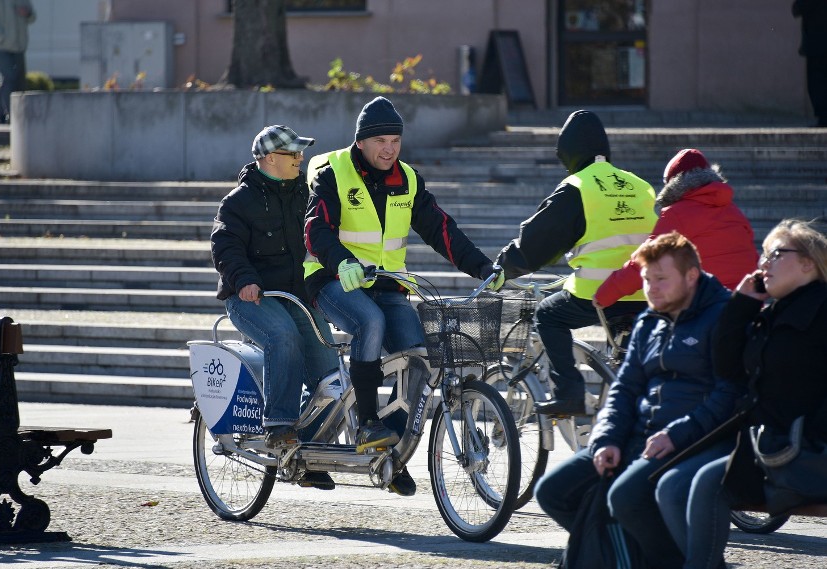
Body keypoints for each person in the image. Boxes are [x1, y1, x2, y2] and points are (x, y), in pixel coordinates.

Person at [303, 96, 503, 496]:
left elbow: (440, 229)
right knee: (369, 323)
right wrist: (342, 261)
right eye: (381, 141)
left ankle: (389, 452)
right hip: (332, 281)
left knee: (418, 356)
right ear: (361, 142)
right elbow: (315, 227)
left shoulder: (407, 179)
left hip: (389, 285)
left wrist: (483, 266)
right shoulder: (333, 173)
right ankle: (367, 422)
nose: (389, 149)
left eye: (395, 141)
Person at [534, 232, 742, 569]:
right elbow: (624, 389)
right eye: (646, 279)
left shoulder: (723, 316)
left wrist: (676, 434)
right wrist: (607, 438)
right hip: (637, 437)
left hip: (693, 441)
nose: (651, 288)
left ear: (691, 276)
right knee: (552, 492)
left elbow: (729, 394)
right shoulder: (648, 320)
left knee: (626, 497)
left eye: (661, 279)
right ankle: (627, 554)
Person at [665, 219, 827, 569]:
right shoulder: (771, 311)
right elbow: (727, 369)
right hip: (768, 445)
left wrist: (809, 436)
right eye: (763, 255)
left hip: (809, 449)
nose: (763, 263)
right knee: (672, 484)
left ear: (808, 262)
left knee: (707, 483)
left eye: (775, 254)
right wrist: (741, 306)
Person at [496, 109, 657, 416]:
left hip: (596, 291)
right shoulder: (640, 185)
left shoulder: (578, 187)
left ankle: (570, 393)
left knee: (548, 315)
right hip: (646, 289)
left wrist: (504, 267)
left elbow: (538, 243)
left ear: (568, 153)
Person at [211, 125, 338, 490]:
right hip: (250, 298)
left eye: (300, 153)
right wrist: (245, 280)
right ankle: (280, 428)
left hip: (298, 297)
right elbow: (226, 248)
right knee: (283, 337)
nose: (301, 158)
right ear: (270, 159)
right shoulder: (238, 202)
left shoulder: (308, 196)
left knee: (332, 377)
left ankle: (307, 453)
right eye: (292, 154)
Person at [595, 148, 757, 307]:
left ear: (673, 184)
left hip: (706, 306)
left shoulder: (677, 214)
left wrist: (605, 295)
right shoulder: (733, 211)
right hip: (745, 301)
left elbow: (647, 259)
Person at [0, 0, 35, 125]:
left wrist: (27, 14)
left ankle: (1, 115)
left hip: (19, 46)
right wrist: (2, 38)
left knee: (18, 81)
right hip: (0, 46)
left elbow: (32, 17)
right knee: (10, 76)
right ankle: (13, 115)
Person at [793, 0, 827, 127]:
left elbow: (798, 8)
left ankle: (824, 118)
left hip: (817, 44)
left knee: (817, 82)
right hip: (817, 43)